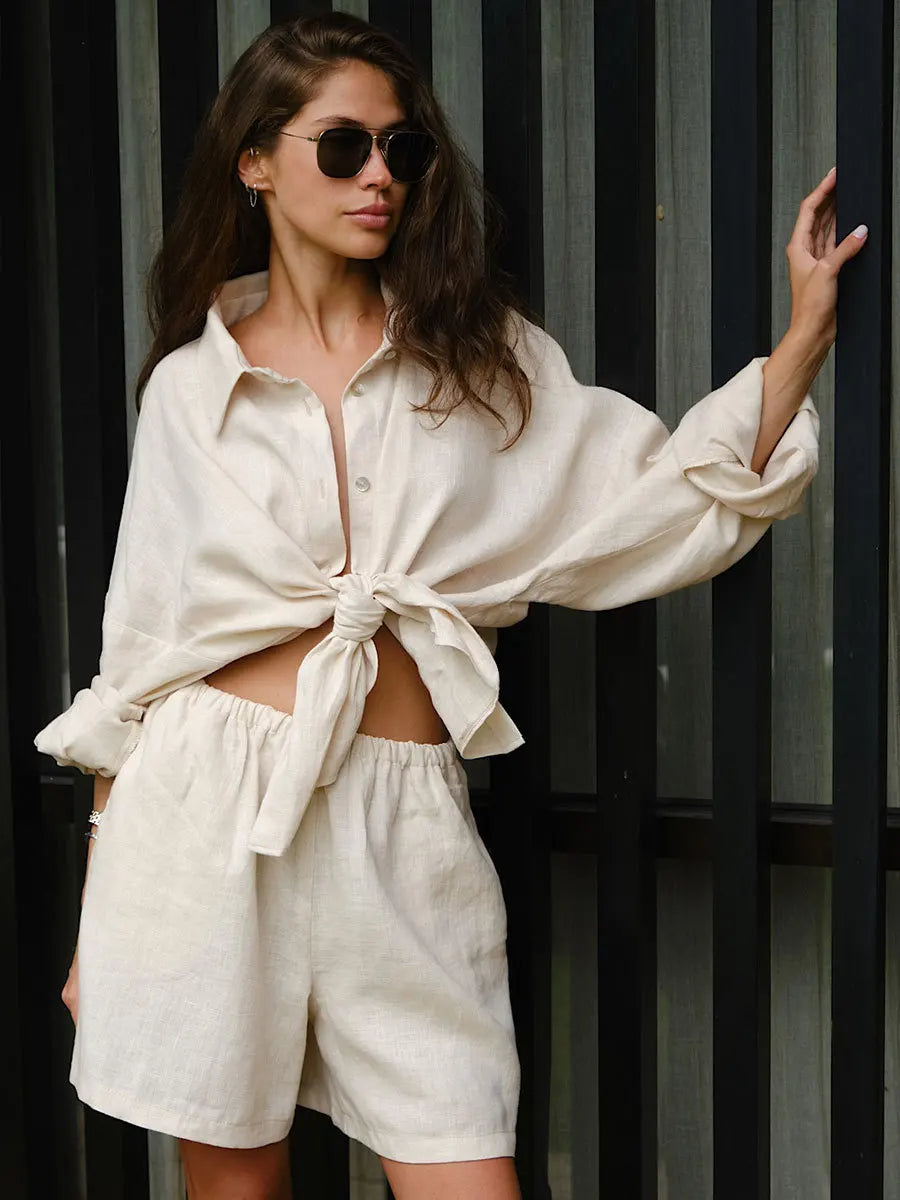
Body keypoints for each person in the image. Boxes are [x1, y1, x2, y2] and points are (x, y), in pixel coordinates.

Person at [33, 11, 864, 1200]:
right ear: (256, 162)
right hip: (204, 821)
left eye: (404, 150)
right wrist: (98, 909)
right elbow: (141, 661)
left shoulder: (476, 362)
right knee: (236, 1189)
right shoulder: (189, 387)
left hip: (403, 824)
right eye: (343, 148)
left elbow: (660, 500)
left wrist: (804, 337)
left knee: (467, 1171)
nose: (381, 176)